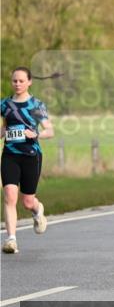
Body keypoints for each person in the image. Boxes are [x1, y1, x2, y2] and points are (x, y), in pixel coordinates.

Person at [1, 68, 53, 254]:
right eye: (15, 81)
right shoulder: (5, 105)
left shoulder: (36, 105)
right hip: (10, 154)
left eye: (21, 81)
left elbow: (49, 130)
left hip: (31, 155)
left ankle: (37, 211)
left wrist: (36, 133)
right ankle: (11, 240)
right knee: (9, 195)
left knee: (27, 202)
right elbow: (4, 128)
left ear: (29, 82)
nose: (17, 84)